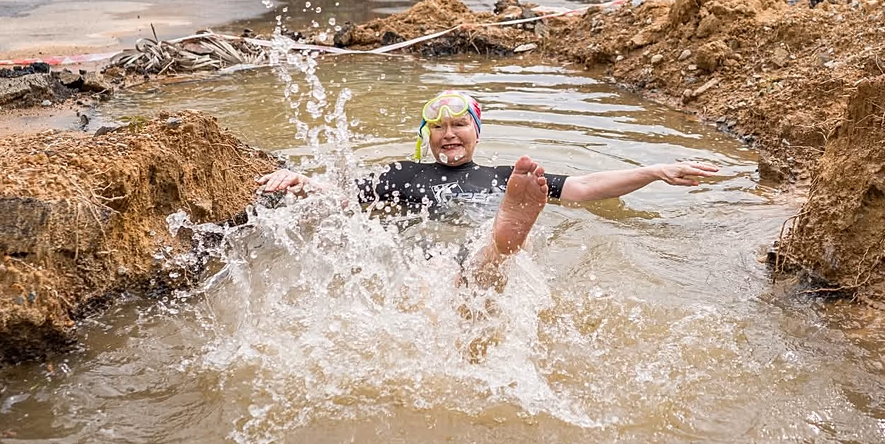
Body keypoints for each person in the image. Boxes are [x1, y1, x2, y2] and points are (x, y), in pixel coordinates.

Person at [258, 91, 718, 281]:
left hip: (483, 230)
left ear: (478, 132)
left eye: (460, 124)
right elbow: (344, 200)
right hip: (427, 251)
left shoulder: (504, 178)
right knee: (435, 271)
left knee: (485, 265)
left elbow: (582, 187)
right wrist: (302, 181)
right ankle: (503, 241)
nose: (449, 134)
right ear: (426, 136)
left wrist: (654, 170)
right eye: (438, 127)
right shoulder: (401, 174)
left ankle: (504, 238)